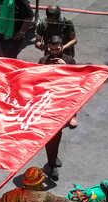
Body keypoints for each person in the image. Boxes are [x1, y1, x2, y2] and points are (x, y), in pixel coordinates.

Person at [37, 35, 77, 181]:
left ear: (62, 47)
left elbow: (76, 82)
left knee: (57, 135)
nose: (54, 52)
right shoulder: (43, 61)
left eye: (57, 49)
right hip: (47, 103)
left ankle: (53, 157)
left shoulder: (69, 60)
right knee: (52, 135)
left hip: (63, 101)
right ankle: (52, 163)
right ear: (48, 48)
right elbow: (37, 80)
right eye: (51, 49)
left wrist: (63, 67)